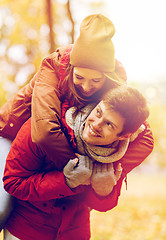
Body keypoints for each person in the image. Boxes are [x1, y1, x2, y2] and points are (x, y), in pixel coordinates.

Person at [0, 13, 153, 231]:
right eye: (79, 78)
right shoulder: (54, 66)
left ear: (107, 78)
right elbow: (44, 130)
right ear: (71, 69)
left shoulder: (115, 87)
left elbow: (143, 133)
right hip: (12, 130)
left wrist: (105, 179)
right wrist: (81, 171)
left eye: (95, 81)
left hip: (67, 137)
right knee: (0, 205)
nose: (86, 87)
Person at [3, 84, 150, 240]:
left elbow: (104, 205)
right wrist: (66, 181)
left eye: (109, 124)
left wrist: (103, 190)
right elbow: (13, 182)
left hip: (75, 233)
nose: (96, 124)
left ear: (123, 136)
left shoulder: (115, 152)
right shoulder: (44, 128)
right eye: (98, 112)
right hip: (26, 230)